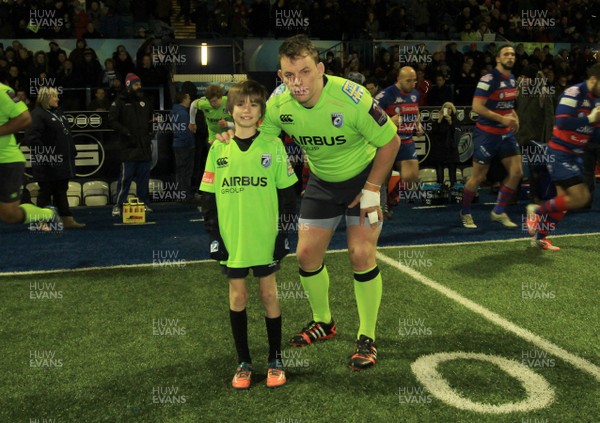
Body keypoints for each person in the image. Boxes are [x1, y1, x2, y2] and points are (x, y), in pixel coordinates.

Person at [217, 35, 400, 371]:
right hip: (322, 182)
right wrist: (231, 138)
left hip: (365, 178)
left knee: (360, 253)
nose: (297, 82)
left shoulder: (352, 98)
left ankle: (367, 337)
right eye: (289, 75)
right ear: (280, 75)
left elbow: (391, 141)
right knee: (305, 255)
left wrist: (374, 188)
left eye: (304, 72)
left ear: (320, 69)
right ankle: (324, 322)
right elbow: (261, 139)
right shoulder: (278, 104)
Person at [200, 80, 297, 389]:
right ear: (230, 109)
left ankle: (275, 359)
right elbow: (207, 197)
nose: (246, 109)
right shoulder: (219, 146)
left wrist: (283, 233)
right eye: (241, 104)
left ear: (261, 112)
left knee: (269, 295)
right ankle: (243, 361)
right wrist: (215, 236)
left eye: (254, 104)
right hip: (233, 239)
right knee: (238, 296)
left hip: (264, 238)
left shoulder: (274, 145)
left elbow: (288, 194)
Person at [526, 64, 600, 250]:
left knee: (563, 203)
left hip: (575, 155)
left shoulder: (596, 100)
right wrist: (589, 119)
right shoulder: (573, 93)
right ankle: (536, 210)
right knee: (580, 197)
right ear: (593, 80)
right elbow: (562, 121)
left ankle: (539, 238)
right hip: (560, 153)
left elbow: (594, 133)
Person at [460, 45, 523, 229]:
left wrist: (514, 117)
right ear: (498, 58)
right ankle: (465, 212)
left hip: (506, 135)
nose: (510, 57)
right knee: (478, 177)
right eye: (506, 54)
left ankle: (498, 210)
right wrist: (501, 118)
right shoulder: (488, 79)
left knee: (517, 172)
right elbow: (477, 107)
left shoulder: (511, 79)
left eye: (512, 54)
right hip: (487, 134)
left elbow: (508, 103)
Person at [0, 82, 61, 229]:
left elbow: (25, 118)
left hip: (6, 161)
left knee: (9, 215)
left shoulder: (2, 91)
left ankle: (48, 214)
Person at [24, 87, 85, 229]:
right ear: (45, 98)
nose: (57, 99)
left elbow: (66, 135)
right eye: (54, 96)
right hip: (47, 163)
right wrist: (47, 156)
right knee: (45, 192)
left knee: (61, 190)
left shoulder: (58, 112)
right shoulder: (37, 115)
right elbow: (31, 139)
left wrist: (71, 153)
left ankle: (67, 218)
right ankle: (39, 222)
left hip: (62, 162)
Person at [108, 73, 154, 217]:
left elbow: (151, 119)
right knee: (125, 179)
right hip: (128, 148)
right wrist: (125, 132)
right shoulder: (120, 101)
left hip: (144, 147)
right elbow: (112, 120)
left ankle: (144, 203)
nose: (138, 87)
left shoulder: (145, 101)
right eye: (135, 84)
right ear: (128, 86)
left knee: (144, 179)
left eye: (139, 84)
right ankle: (118, 205)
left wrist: (150, 132)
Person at [171, 91, 196, 202]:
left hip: (177, 144)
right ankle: (185, 195)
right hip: (185, 146)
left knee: (180, 171)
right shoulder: (183, 113)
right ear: (184, 99)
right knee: (186, 172)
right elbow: (187, 131)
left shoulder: (174, 111)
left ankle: (180, 194)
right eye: (188, 97)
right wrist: (191, 144)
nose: (190, 100)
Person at [429, 102, 460, 186]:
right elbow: (433, 133)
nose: (448, 110)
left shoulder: (456, 121)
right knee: (439, 175)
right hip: (440, 150)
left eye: (449, 108)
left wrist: (450, 122)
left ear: (452, 110)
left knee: (453, 176)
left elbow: (456, 133)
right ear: (442, 110)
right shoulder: (438, 121)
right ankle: (440, 193)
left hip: (451, 150)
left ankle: (454, 192)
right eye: (445, 108)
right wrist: (439, 120)